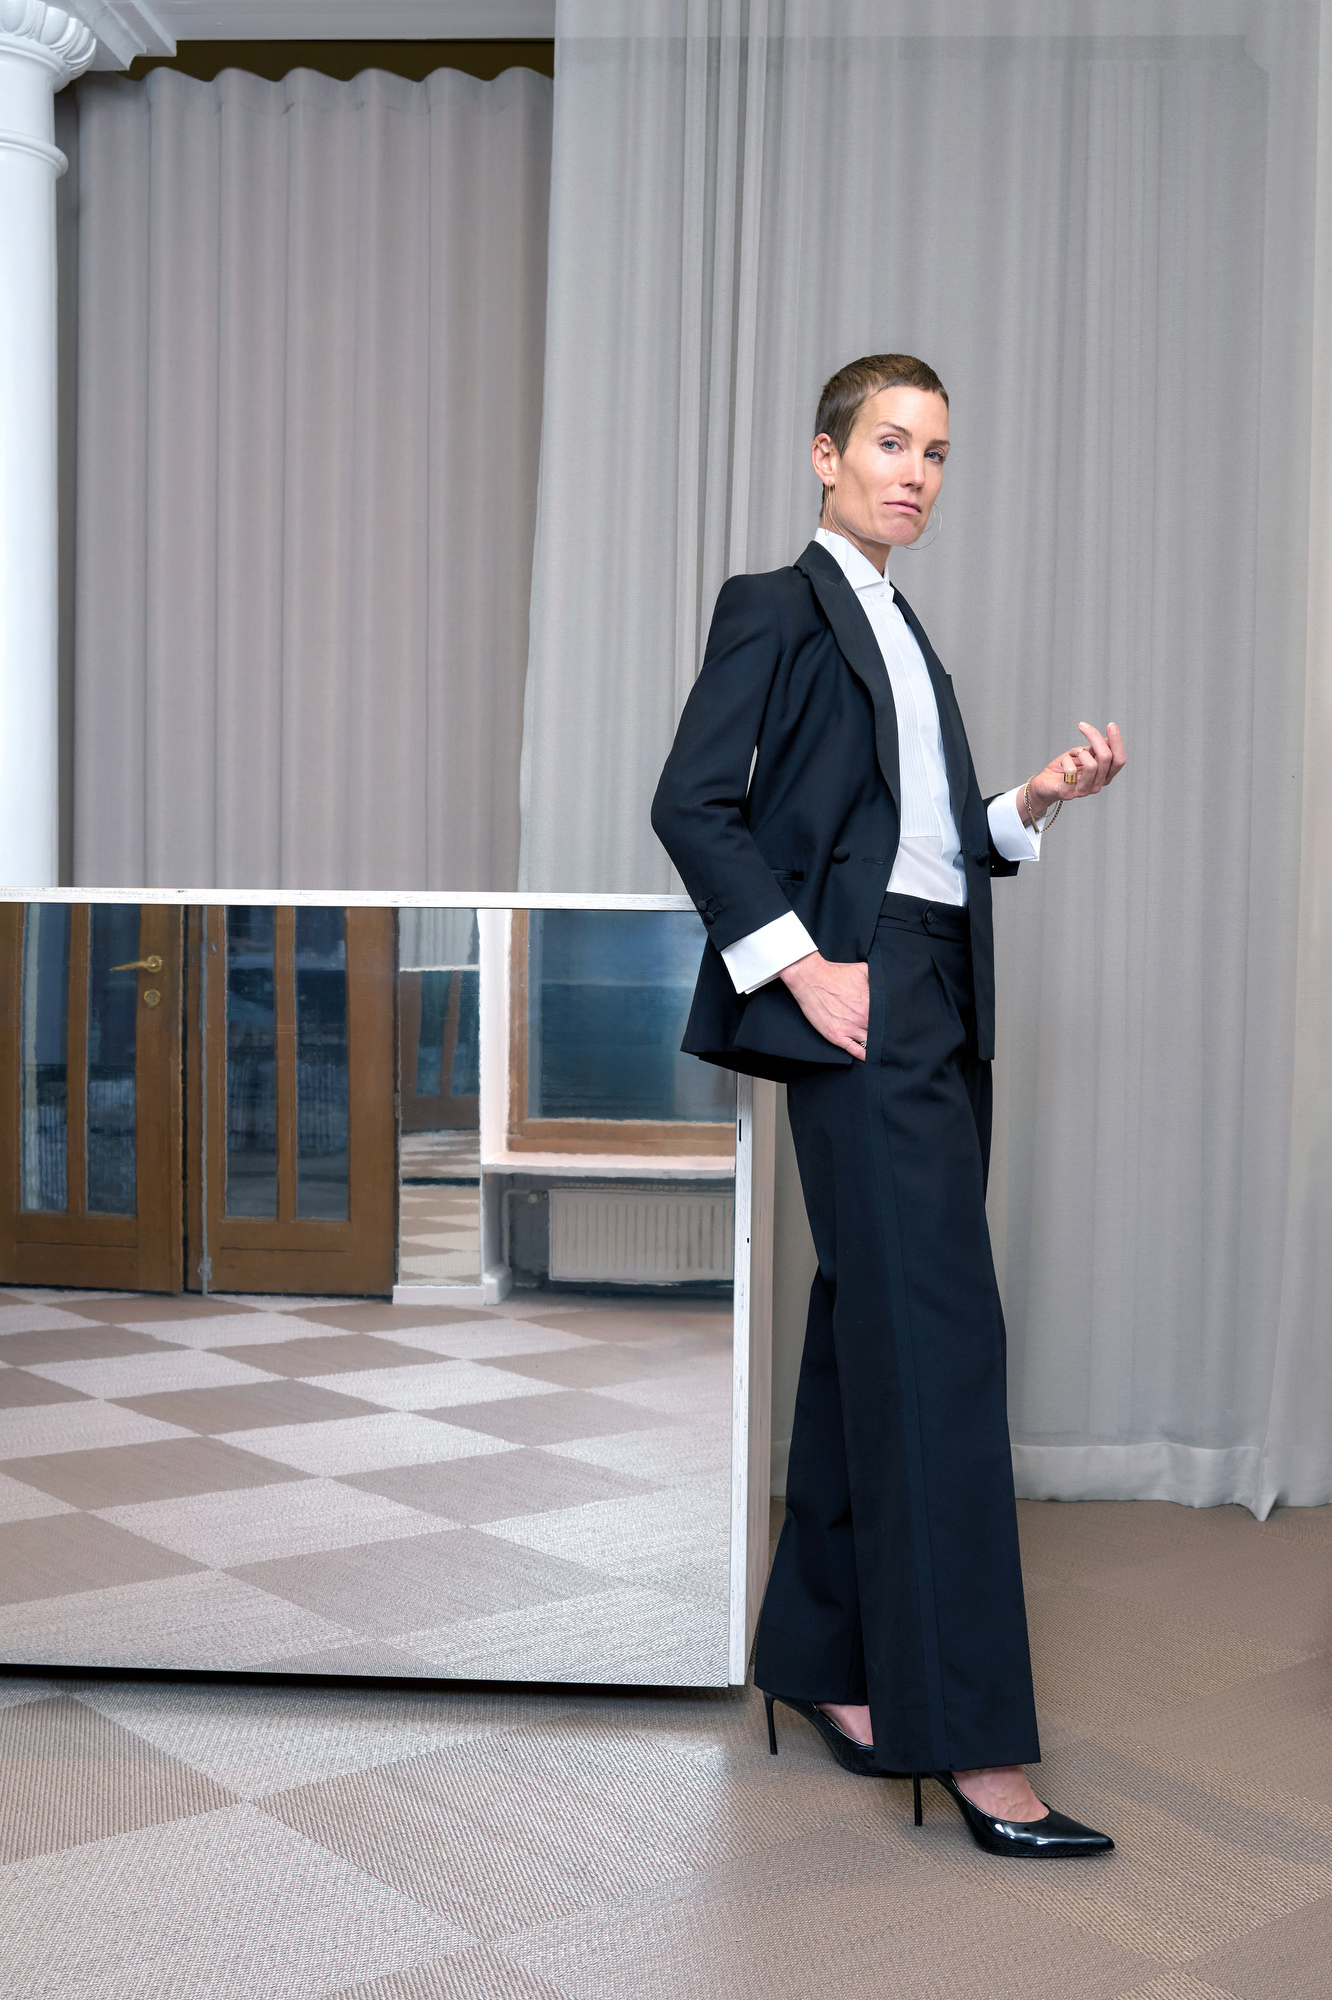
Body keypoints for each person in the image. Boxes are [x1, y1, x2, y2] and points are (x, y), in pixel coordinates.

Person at [651, 354, 1125, 1858]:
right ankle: (969, 1742)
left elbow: (922, 842)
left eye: (935, 452)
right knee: (940, 1350)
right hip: (858, 998)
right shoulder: (776, 606)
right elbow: (690, 803)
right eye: (890, 443)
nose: (914, 472)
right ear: (826, 455)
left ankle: (824, 1659)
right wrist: (799, 967)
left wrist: (1030, 804)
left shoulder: (906, 629)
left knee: (873, 1328)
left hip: (936, 986)